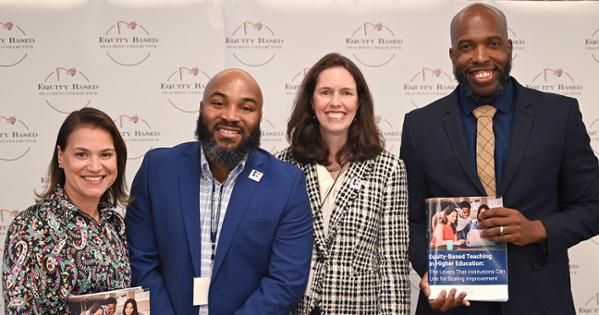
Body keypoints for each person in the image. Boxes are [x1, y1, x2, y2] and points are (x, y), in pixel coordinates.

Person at [400, 3, 599, 315]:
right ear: (453, 55)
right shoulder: (419, 126)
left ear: (508, 47)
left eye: (492, 44)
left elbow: (593, 205)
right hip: (454, 302)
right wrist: (433, 275)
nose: (481, 57)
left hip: (540, 303)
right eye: (467, 47)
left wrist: (537, 229)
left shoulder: (559, 115)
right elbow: (408, 220)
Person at [125, 68, 313, 315]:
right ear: (201, 108)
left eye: (246, 108)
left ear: (259, 117)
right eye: (218, 103)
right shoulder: (157, 170)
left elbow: (286, 280)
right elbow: (141, 261)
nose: (231, 116)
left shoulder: (286, 183)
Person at [277, 52, 410, 314]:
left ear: (359, 102)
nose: (335, 102)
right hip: (294, 307)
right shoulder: (283, 165)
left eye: (346, 93)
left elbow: (393, 264)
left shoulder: (388, 169)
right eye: (325, 92)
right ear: (311, 101)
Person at [2, 107, 131, 314]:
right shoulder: (30, 227)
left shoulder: (116, 225)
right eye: (82, 154)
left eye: (105, 154)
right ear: (61, 156)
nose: (95, 166)